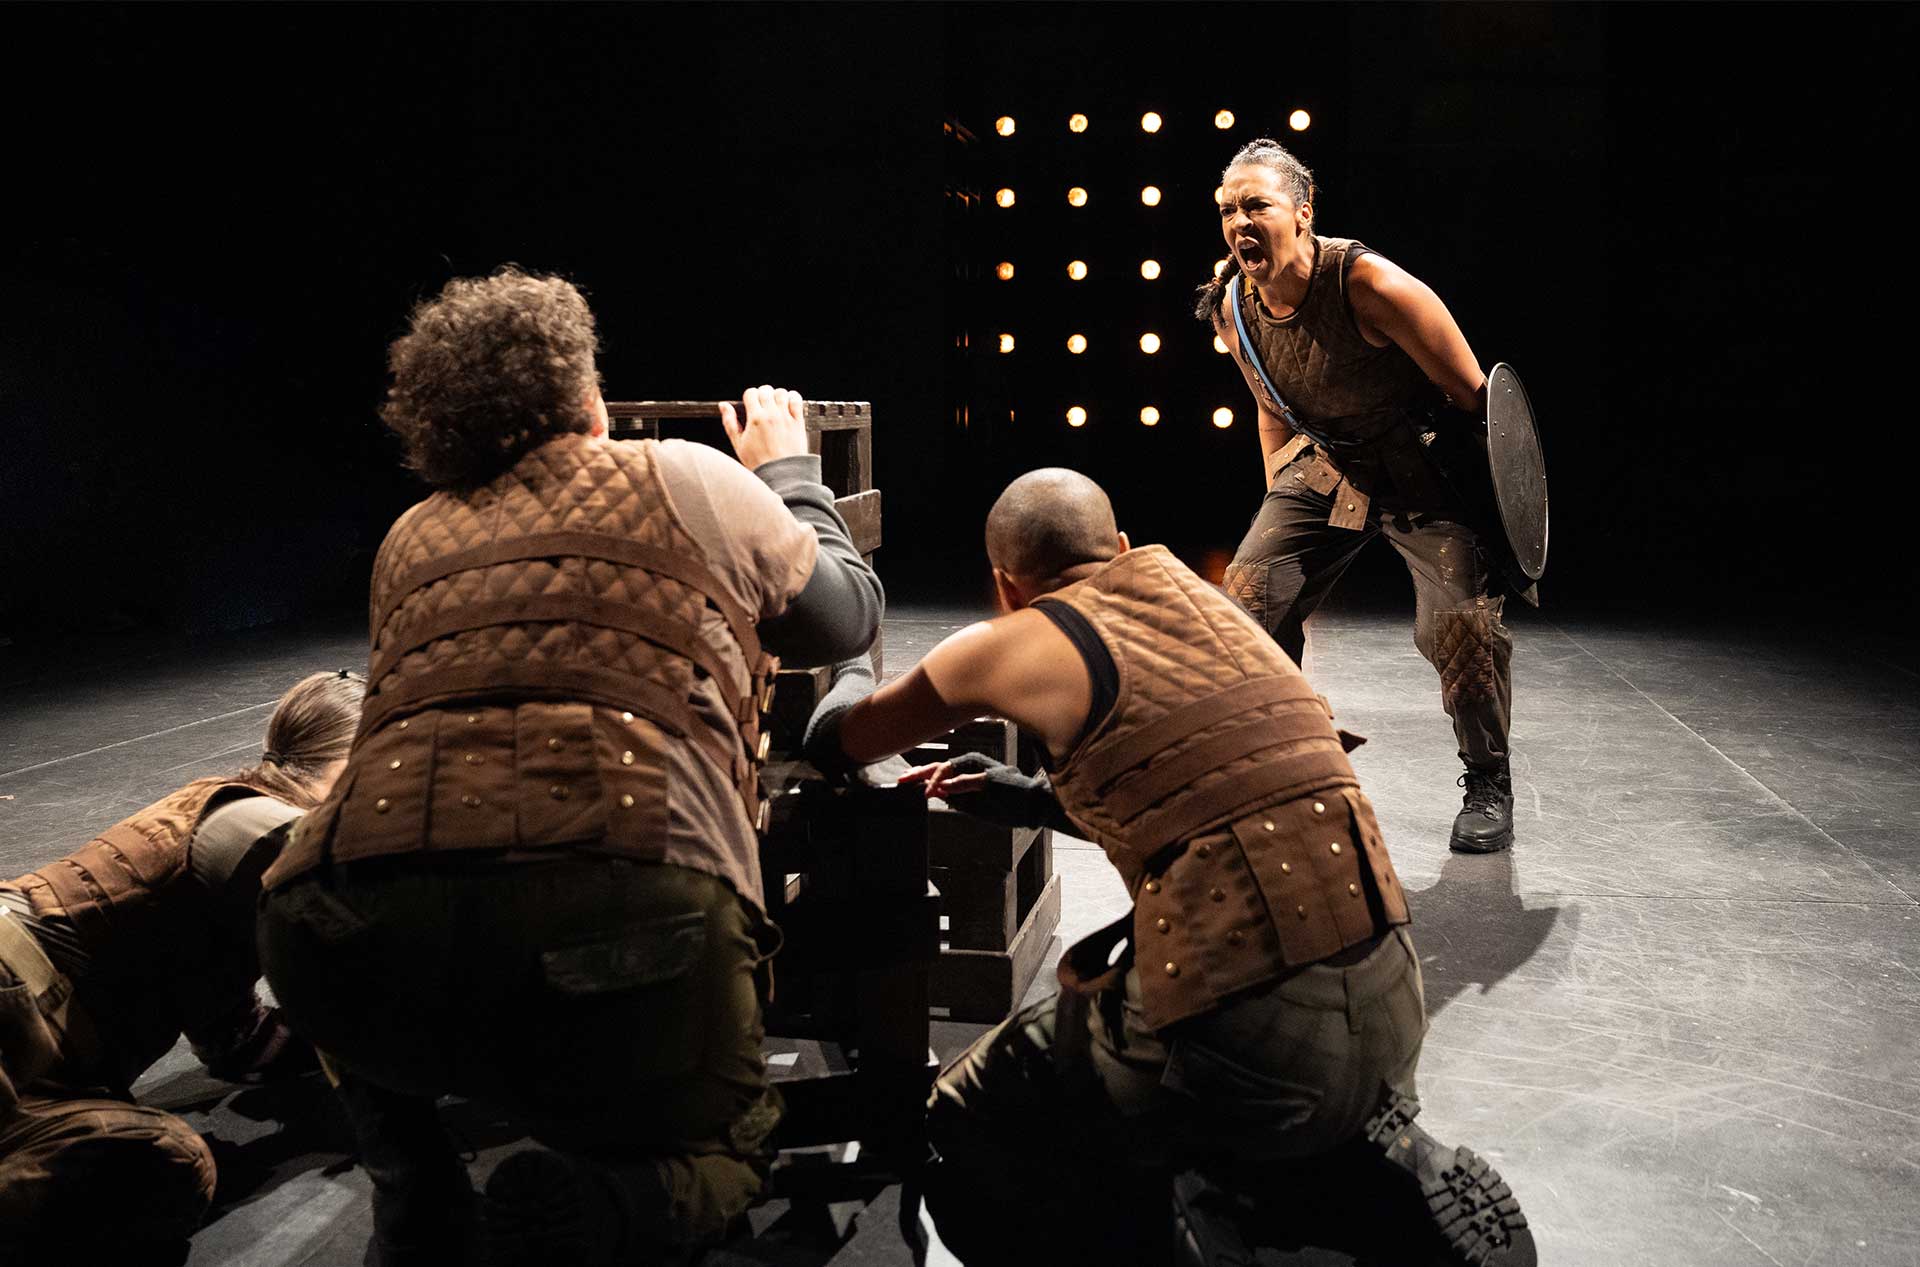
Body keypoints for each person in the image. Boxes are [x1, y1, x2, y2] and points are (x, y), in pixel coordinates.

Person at [257, 267, 883, 1267]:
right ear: (588, 399)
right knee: (728, 1144)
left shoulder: (408, 534)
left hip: (339, 930)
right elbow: (843, 615)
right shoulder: (686, 475)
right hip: (624, 905)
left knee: (391, 1006)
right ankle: (612, 1203)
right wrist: (791, 474)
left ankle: (415, 1193)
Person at [804, 468, 1534, 1265]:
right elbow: (1210, 789)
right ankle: (1342, 1173)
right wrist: (1029, 797)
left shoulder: (1006, 642)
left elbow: (840, 741)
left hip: (1250, 1028)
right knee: (1247, 1086)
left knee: (964, 1119)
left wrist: (847, 663)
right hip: (1392, 996)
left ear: (1005, 587)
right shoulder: (1215, 608)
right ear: (1118, 548)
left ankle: (1180, 1218)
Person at [1200, 138, 1530, 853]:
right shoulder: (1234, 307)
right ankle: (1276, 767)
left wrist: (1497, 531)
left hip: (1422, 469)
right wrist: (1278, 516)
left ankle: (1488, 780)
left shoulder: (1369, 285)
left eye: (1255, 203)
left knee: (1461, 629)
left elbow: (1480, 404)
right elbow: (1270, 407)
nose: (1238, 221)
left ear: (1302, 211)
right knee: (1248, 600)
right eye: (1227, 209)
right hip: (1327, 466)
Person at [0, 669, 362, 1265]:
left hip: (41, 1052)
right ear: (353, 760)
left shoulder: (226, 818)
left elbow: (239, 1045)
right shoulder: (260, 827)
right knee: (162, 1170)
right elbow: (376, 919)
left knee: (159, 1163)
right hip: (15, 997)